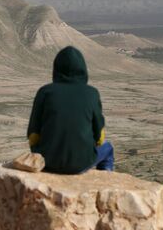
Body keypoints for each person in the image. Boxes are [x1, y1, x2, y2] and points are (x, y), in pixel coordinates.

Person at [27, 46, 114, 174]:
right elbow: (99, 136)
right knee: (108, 149)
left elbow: (33, 135)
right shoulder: (92, 93)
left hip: (47, 162)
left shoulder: (45, 92)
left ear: (56, 69)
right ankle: (105, 182)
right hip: (82, 163)